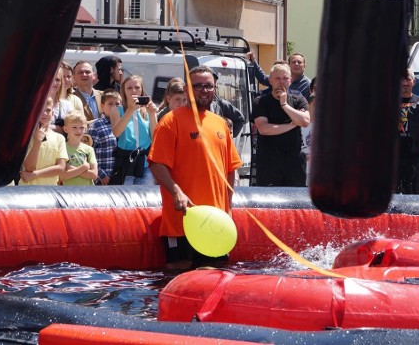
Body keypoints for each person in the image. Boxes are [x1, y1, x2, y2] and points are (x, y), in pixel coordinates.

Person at [149, 66, 242, 270]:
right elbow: (156, 162)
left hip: (215, 221)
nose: (203, 90)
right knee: (180, 271)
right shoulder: (170, 121)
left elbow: (230, 168)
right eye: (197, 86)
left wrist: (228, 207)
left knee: (217, 272)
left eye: (208, 86)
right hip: (181, 219)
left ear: (214, 88)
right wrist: (176, 191)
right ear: (186, 88)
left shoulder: (220, 124)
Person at [251, 62, 310, 186]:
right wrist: (292, 124)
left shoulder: (298, 99)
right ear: (270, 80)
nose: (281, 82)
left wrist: (285, 105)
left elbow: (304, 121)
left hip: (294, 160)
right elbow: (264, 129)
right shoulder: (260, 101)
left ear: (290, 80)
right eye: (278, 78)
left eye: (285, 78)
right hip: (269, 160)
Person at [111, 75, 158, 185]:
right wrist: (130, 110)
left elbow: (155, 137)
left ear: (142, 90)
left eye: (137, 87)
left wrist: (152, 115)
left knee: (145, 199)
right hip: (126, 162)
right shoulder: (117, 110)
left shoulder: (147, 111)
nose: (134, 91)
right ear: (124, 91)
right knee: (127, 199)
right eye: (129, 88)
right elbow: (117, 132)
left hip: (145, 163)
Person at [18, 97, 68, 185]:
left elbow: (60, 167)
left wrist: (35, 174)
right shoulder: (26, 136)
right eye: (40, 110)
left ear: (52, 113)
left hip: (49, 191)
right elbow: (29, 168)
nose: (44, 113)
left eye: (48, 110)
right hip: (27, 190)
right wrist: (37, 141)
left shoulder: (59, 138)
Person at [88, 89, 120, 185]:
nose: (114, 107)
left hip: (120, 177)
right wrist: (101, 174)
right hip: (102, 179)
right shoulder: (96, 126)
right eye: (110, 104)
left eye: (117, 104)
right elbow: (88, 153)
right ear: (102, 106)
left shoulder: (124, 124)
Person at [59, 111, 98, 186]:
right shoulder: (62, 148)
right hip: (69, 193)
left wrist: (70, 168)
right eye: (74, 127)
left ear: (86, 129)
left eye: (82, 127)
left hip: (87, 193)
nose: (78, 131)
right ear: (66, 129)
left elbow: (94, 174)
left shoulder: (89, 149)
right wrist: (84, 167)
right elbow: (63, 176)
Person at [398, 69, 419, 194]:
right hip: (396, 152)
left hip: (415, 152)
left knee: (412, 186)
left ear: (414, 82)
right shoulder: (390, 102)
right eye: (402, 79)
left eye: (408, 79)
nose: (405, 83)